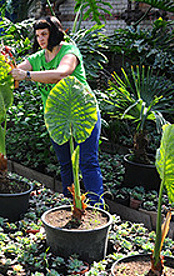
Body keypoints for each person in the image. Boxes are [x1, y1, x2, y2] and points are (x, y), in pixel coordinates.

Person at [10, 16, 104, 205]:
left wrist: (26, 75)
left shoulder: (69, 52)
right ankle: (71, 203)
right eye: (37, 36)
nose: (41, 39)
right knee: (65, 164)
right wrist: (8, 66)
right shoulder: (38, 58)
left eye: (44, 34)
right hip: (57, 117)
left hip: (83, 113)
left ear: (54, 33)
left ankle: (97, 208)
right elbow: (15, 76)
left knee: (88, 162)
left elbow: (61, 74)